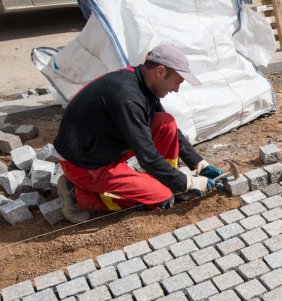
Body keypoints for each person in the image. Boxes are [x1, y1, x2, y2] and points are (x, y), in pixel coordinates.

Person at [53, 43, 226, 223]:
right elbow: (148, 157)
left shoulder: (142, 82)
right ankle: (78, 194)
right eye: (177, 81)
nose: (176, 89)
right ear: (160, 71)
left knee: (165, 123)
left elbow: (167, 132)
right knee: (162, 199)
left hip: (101, 146)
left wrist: (199, 165)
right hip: (85, 165)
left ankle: (169, 182)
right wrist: (187, 183)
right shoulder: (128, 97)